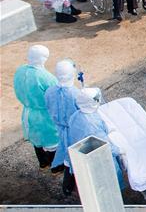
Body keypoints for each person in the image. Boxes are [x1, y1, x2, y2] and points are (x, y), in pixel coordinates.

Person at [13, 45, 61, 170]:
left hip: (28, 112)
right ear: (43, 59)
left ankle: (43, 163)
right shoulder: (46, 77)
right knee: (52, 141)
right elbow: (55, 97)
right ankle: (55, 167)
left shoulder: (20, 71)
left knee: (36, 138)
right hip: (44, 115)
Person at [67, 88, 124, 190]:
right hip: (97, 156)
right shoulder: (91, 125)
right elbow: (105, 146)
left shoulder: (76, 115)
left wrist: (105, 128)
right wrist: (119, 150)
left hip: (82, 151)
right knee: (110, 178)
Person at [45, 60, 81, 194]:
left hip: (59, 128)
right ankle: (69, 186)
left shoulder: (50, 91)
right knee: (73, 158)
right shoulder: (76, 94)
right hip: (74, 130)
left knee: (66, 153)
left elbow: (49, 107)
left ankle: (67, 187)